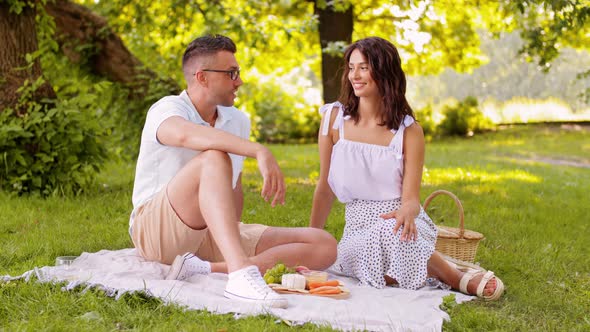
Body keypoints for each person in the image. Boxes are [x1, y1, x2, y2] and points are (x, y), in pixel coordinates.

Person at [129, 34, 337, 308]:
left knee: (323, 243)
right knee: (214, 157)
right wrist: (258, 150)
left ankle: (211, 269)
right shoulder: (167, 109)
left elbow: (233, 190)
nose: (239, 81)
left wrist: (233, 238)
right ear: (202, 77)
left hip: (208, 237)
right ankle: (240, 275)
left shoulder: (237, 120)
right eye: (231, 73)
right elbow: (183, 136)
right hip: (156, 234)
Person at [309, 37, 504, 300]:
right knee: (371, 261)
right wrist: (311, 239)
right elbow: (324, 187)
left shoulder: (409, 131)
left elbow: (411, 200)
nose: (355, 75)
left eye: (364, 67)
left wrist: (405, 213)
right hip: (356, 229)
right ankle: (442, 268)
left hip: (402, 223)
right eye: (351, 67)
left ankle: (454, 277)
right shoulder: (333, 119)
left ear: (385, 71)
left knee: (391, 233)